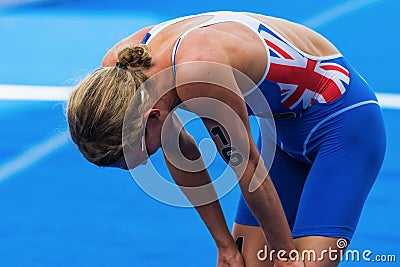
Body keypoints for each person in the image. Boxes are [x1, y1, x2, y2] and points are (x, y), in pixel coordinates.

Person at [67, 11, 386, 267]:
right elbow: (182, 151)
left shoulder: (198, 73)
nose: (136, 166)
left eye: (133, 159)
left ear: (152, 118)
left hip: (345, 127)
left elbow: (246, 165)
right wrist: (224, 246)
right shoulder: (119, 70)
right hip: (283, 135)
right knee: (244, 262)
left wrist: (285, 253)